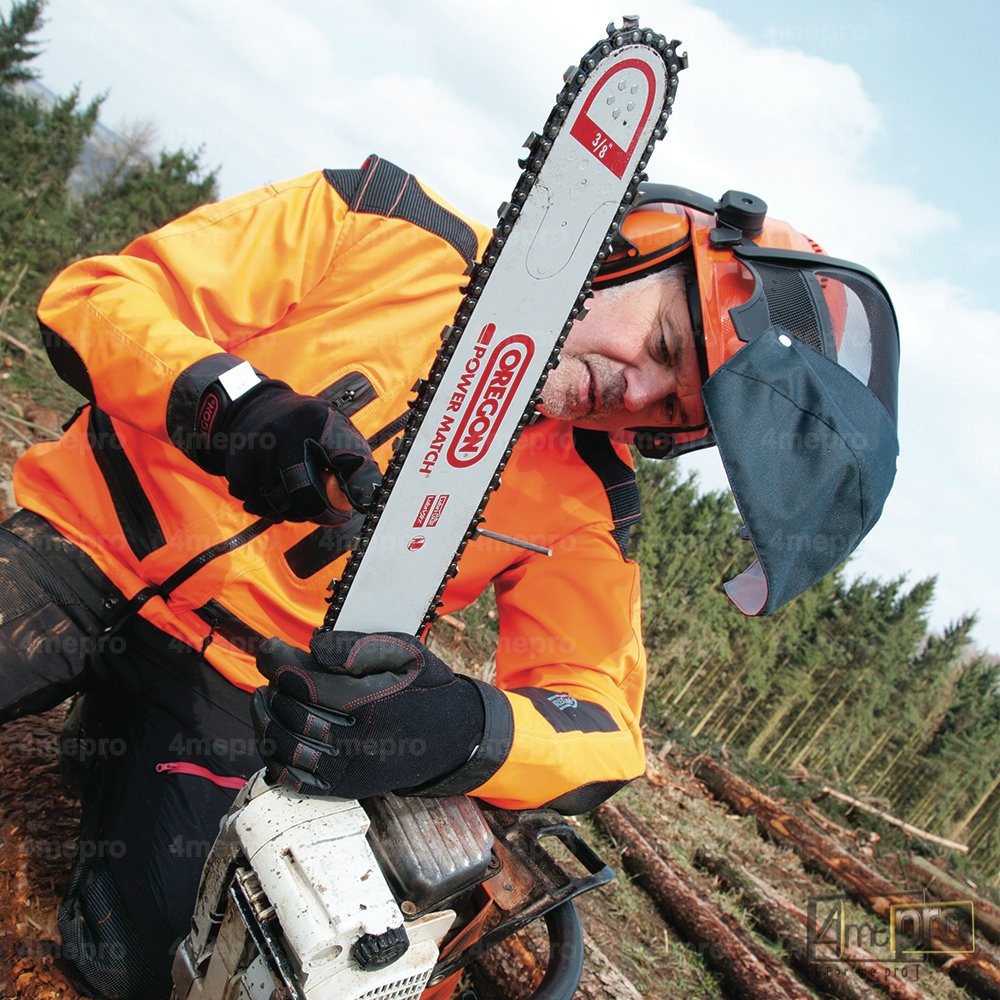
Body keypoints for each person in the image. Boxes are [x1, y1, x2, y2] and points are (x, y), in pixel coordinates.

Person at [0, 156, 899, 997]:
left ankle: (109, 740)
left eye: (672, 405)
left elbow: (600, 717)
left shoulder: (590, 499)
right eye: (662, 345)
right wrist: (230, 402)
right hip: (79, 542)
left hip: (241, 683)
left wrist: (462, 724)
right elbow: (101, 296)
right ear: (630, 248)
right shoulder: (385, 221)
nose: (635, 393)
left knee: (153, 957)